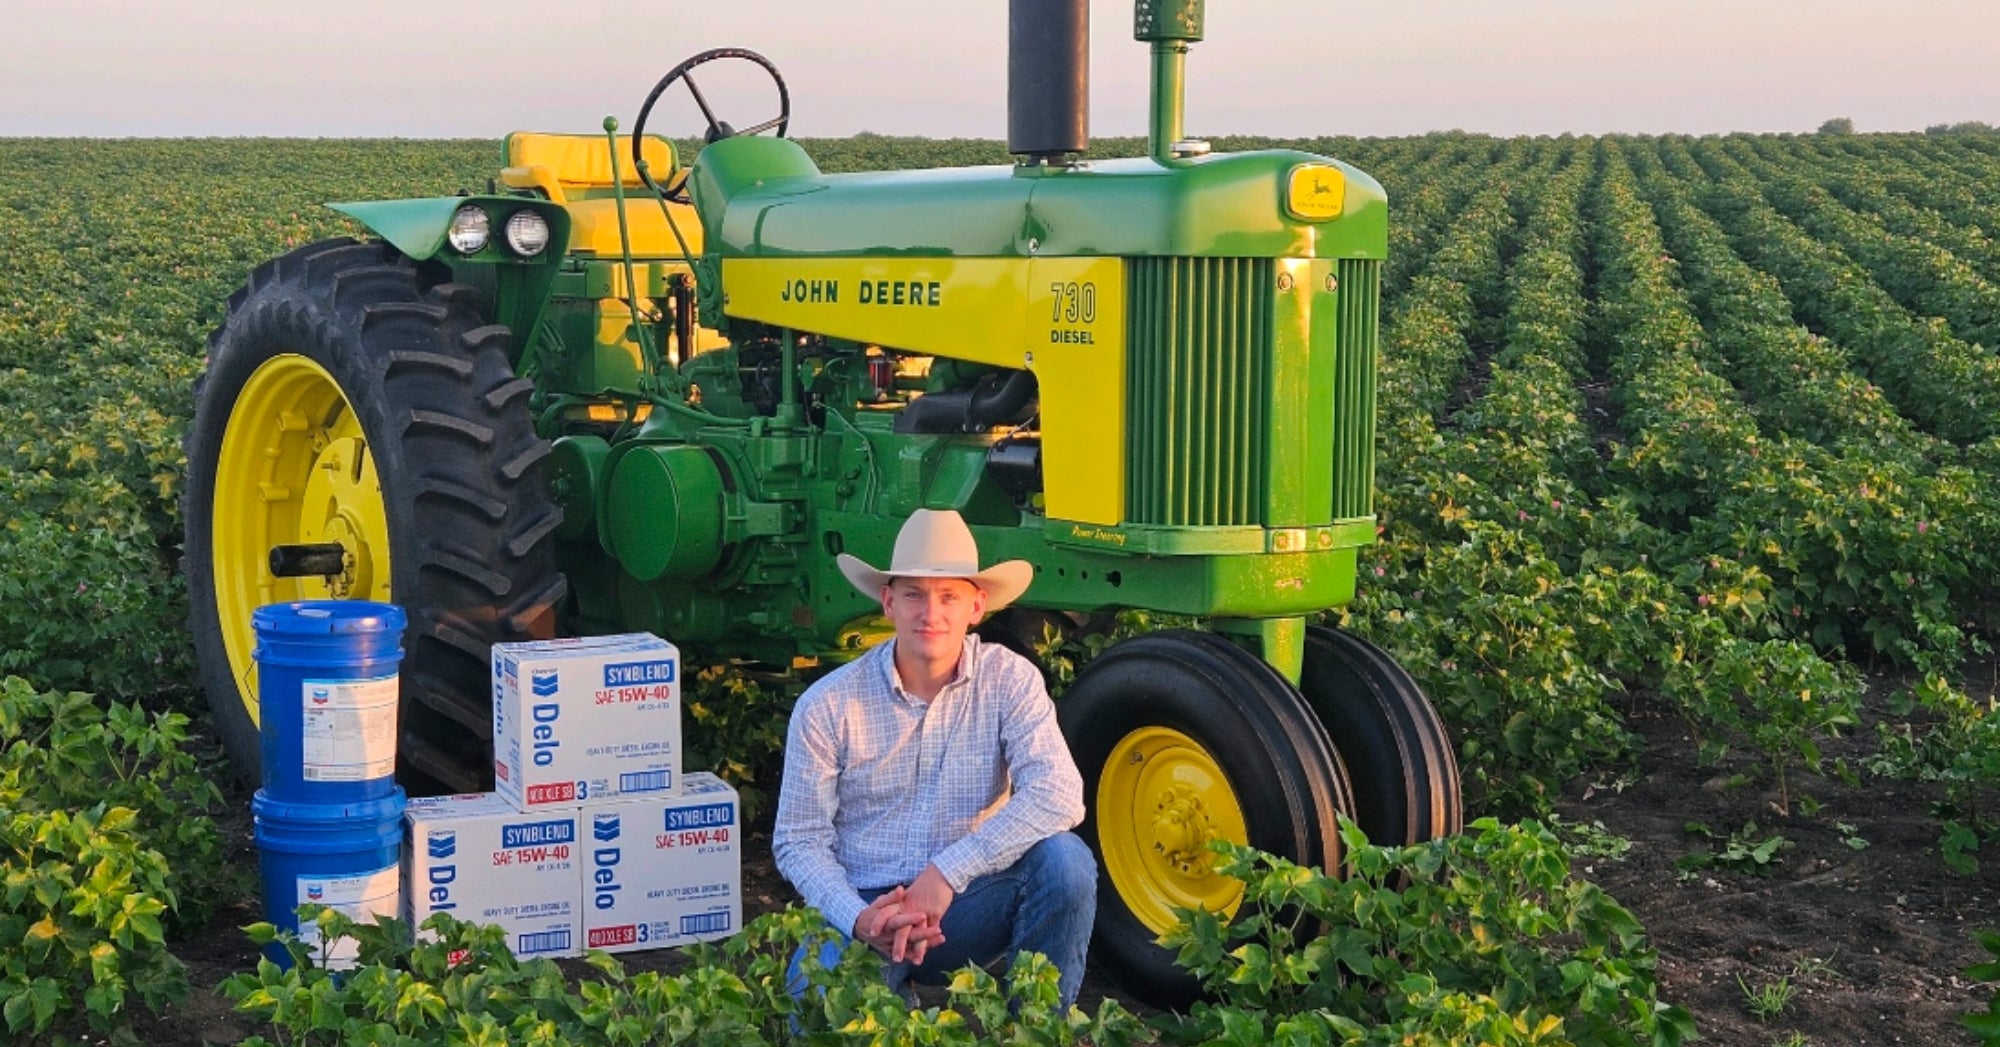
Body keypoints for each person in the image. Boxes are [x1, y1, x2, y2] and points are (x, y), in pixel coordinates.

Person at [772, 508, 1096, 1010]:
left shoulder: (1009, 680)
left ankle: (1037, 1026)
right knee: (812, 1010)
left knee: (1065, 861)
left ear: (977, 606)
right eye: (914, 594)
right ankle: (890, 989)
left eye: (949, 596)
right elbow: (798, 840)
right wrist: (859, 917)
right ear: (887, 602)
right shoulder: (829, 703)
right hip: (867, 905)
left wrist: (945, 874)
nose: (931, 613)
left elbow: (1058, 793)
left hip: (967, 903)